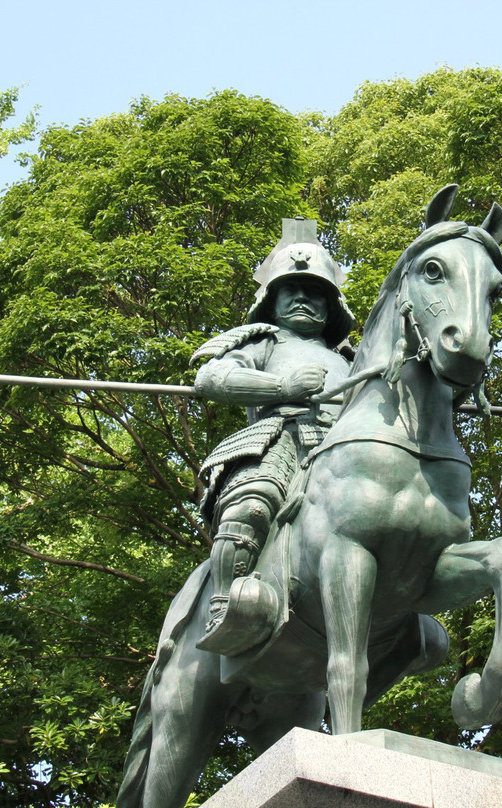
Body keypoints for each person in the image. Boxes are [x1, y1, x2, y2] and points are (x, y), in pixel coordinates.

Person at [192, 219, 354, 654]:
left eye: (314, 290)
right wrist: (282, 389)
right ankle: (226, 604)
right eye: (291, 290)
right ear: (273, 299)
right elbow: (213, 377)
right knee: (254, 499)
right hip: (280, 438)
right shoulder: (263, 341)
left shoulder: (354, 360)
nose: (302, 297)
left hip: (344, 452)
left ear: (330, 306)